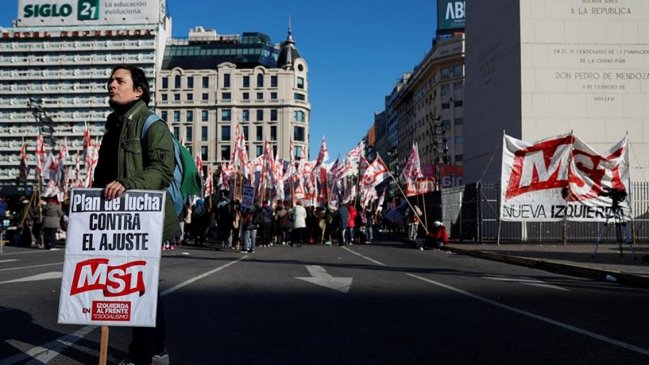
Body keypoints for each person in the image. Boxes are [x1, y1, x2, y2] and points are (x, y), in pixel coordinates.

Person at [93, 65, 179, 365]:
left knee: (139, 286)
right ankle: (155, 351)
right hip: (115, 219)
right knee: (136, 285)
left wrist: (128, 185)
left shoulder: (152, 124)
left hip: (143, 218)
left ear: (138, 91)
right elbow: (102, 174)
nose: (111, 85)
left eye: (120, 81)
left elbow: (161, 170)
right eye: (110, 80)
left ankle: (145, 355)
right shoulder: (113, 125)